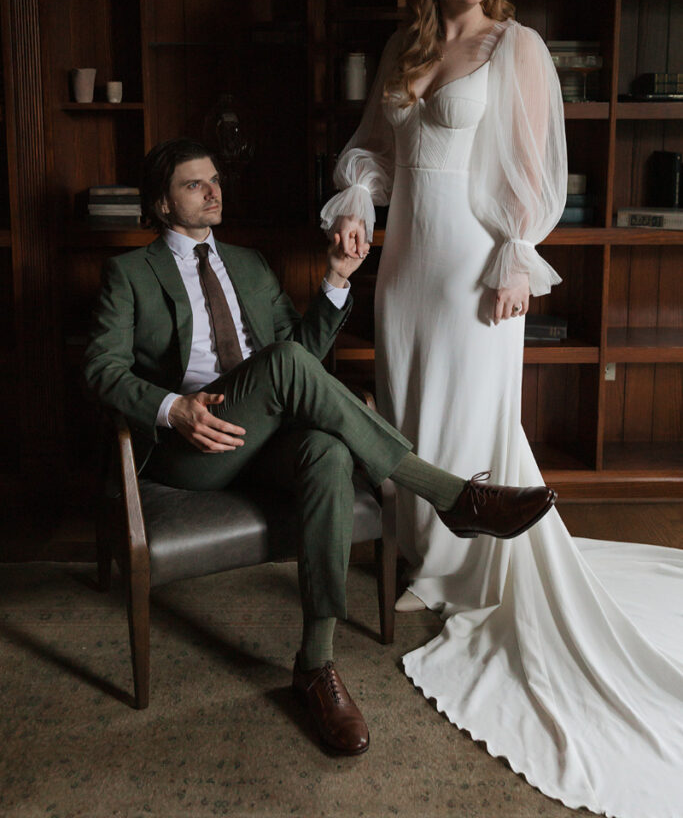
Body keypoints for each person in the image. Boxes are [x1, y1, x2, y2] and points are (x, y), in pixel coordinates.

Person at [321, 0, 683, 817]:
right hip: (404, 260)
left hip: (477, 258)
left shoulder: (514, 46)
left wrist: (517, 255)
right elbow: (371, 149)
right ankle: (423, 560)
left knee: (473, 407)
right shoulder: (404, 47)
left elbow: (538, 164)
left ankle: (468, 569)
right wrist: (359, 202)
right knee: (406, 405)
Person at [83, 138, 555, 759]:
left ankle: (316, 664)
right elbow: (101, 368)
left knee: (328, 453)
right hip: (193, 447)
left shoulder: (249, 264)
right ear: (161, 205)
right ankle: (448, 493)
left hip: (266, 436)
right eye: (195, 185)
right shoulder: (130, 274)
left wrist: (336, 279)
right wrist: (174, 409)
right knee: (281, 366)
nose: (213, 191)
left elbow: (300, 357)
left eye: (215, 180)